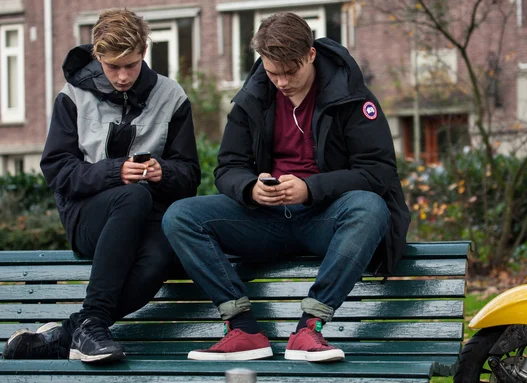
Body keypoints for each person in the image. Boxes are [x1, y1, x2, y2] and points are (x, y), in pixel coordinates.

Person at [162, 12, 410, 363]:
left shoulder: (352, 98)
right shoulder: (252, 97)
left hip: (326, 217)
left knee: (370, 207)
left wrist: (311, 188)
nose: (280, 82)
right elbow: (227, 167)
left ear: (310, 55)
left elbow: (378, 171)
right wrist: (250, 188)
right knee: (180, 216)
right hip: (265, 219)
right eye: (271, 71)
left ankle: (310, 328)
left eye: (289, 72)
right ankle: (243, 329)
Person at [2, 8, 200, 364]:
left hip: (149, 219)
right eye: (113, 67)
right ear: (97, 55)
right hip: (87, 218)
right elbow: (58, 171)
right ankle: (87, 327)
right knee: (133, 195)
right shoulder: (72, 96)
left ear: (144, 52)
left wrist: (164, 172)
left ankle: (80, 329)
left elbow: (190, 176)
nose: (123, 76)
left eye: (131, 64)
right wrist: (114, 173)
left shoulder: (172, 96)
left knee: (160, 256)